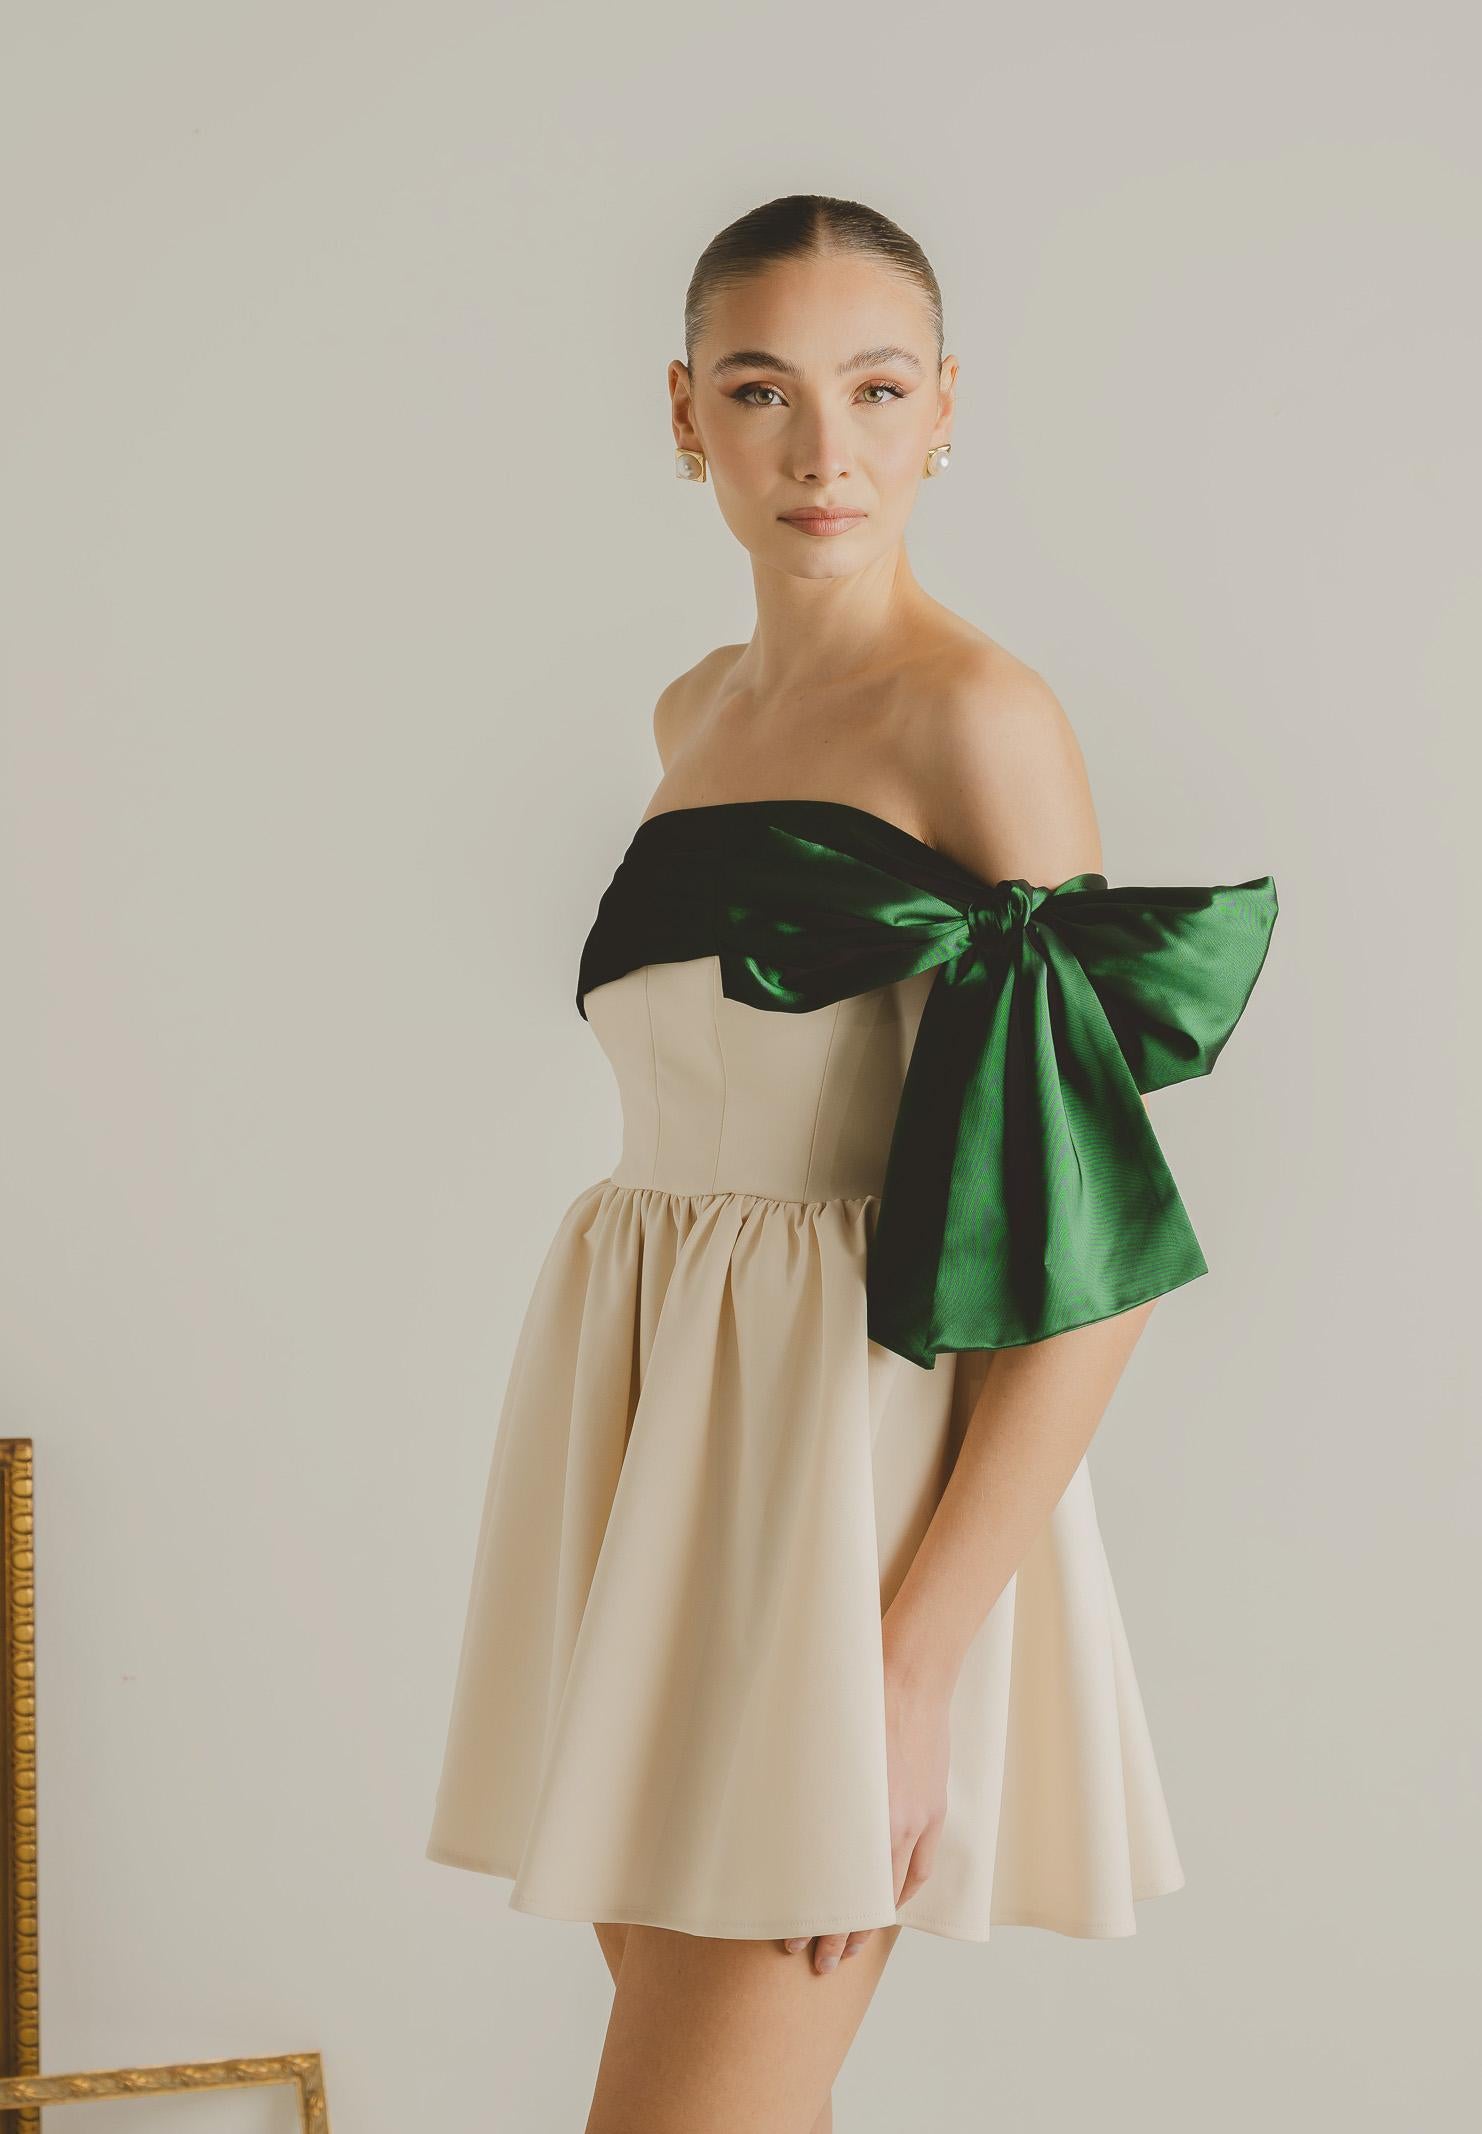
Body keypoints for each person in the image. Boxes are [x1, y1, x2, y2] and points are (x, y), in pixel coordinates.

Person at [425, 192, 1278, 2134]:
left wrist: (906, 1661)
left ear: (943, 408)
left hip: (841, 1492)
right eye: (762, 389)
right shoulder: (692, 711)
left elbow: (1088, 1252)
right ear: (685, 414)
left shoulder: (976, 716)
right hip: (656, 1456)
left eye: (875, 389)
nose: (823, 449)